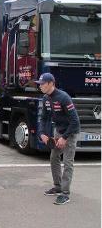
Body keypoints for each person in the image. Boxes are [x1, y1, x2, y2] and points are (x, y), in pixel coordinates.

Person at [36, 73, 80, 205]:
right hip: (58, 131)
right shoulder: (45, 99)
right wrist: (42, 133)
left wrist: (65, 138)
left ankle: (65, 194)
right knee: (54, 157)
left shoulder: (63, 97)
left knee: (67, 162)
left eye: (42, 84)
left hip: (70, 132)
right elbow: (43, 118)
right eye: (40, 84)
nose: (40, 86)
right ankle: (58, 186)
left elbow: (75, 122)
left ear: (51, 83)